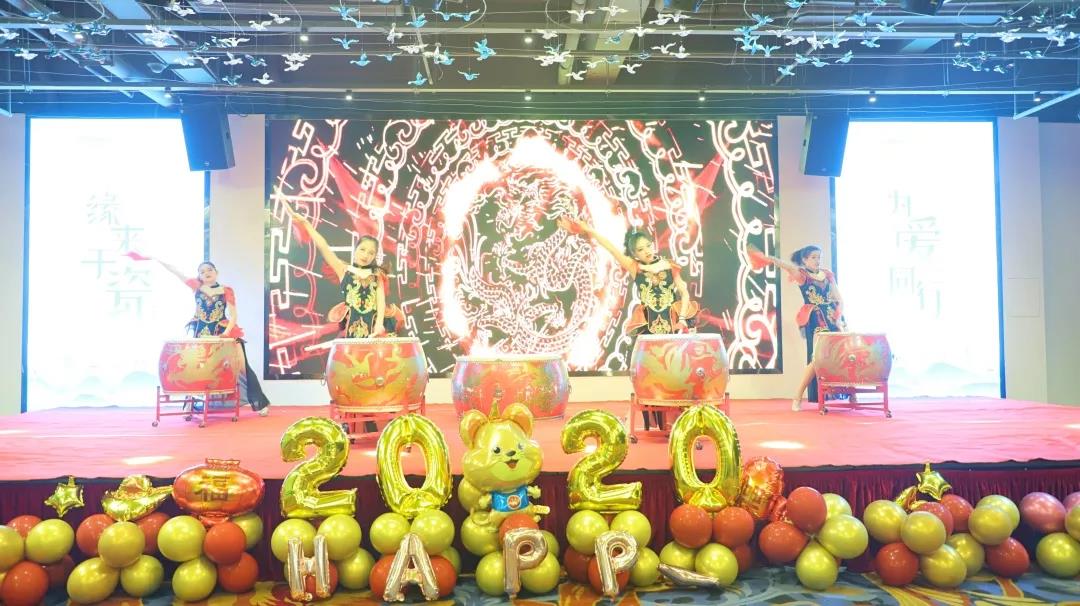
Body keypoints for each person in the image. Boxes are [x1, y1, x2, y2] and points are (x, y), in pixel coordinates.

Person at [558, 216, 699, 430]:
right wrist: (588, 230)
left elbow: (684, 293)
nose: (646, 251)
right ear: (635, 254)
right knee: (649, 376)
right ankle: (654, 422)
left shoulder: (670, 266)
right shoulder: (635, 268)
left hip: (671, 330)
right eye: (640, 250)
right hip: (648, 332)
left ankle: (676, 421)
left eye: (648, 246)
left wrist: (681, 320)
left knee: (675, 373)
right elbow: (610, 247)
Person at [147, 256, 270, 416]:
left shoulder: (226, 290)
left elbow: (233, 315)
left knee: (241, 366)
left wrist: (226, 334)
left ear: (216, 272)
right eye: (202, 271)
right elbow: (176, 272)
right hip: (202, 333)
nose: (206, 273)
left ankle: (260, 403)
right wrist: (158, 259)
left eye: (209, 270)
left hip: (222, 332)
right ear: (199, 275)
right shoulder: (197, 287)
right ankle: (191, 404)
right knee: (196, 367)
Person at [282, 202, 405, 339]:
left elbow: (380, 302)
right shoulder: (343, 270)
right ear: (356, 249)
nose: (365, 255)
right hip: (350, 333)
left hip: (373, 332)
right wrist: (306, 223)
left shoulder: (377, 275)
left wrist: (379, 325)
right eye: (363, 249)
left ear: (374, 256)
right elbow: (323, 246)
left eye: (371, 253)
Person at [755, 245, 846, 411]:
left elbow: (838, 298)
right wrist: (769, 259)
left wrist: (839, 315)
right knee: (817, 358)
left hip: (832, 317)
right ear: (805, 259)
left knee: (840, 354)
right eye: (813, 257)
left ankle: (849, 393)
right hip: (816, 318)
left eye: (819, 257)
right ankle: (797, 396)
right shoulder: (803, 275)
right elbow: (787, 267)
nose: (817, 261)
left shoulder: (827, 274)